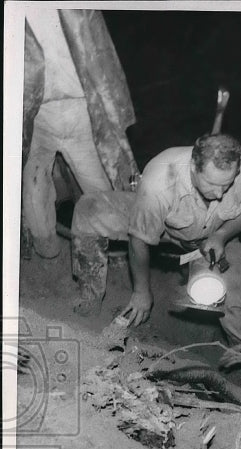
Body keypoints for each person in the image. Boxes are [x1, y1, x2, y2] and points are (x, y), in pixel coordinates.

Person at [70, 133, 241, 345]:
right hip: (165, 229)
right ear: (193, 167)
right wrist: (141, 291)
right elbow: (139, 239)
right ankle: (90, 296)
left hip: (214, 239)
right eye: (211, 183)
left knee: (238, 303)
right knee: (89, 209)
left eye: (226, 184)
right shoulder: (160, 180)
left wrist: (222, 235)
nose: (219, 193)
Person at [22, 8, 137, 262]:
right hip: (35, 110)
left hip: (77, 109)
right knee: (34, 186)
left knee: (95, 189)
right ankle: (48, 247)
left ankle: (115, 247)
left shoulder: (78, 10)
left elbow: (101, 55)